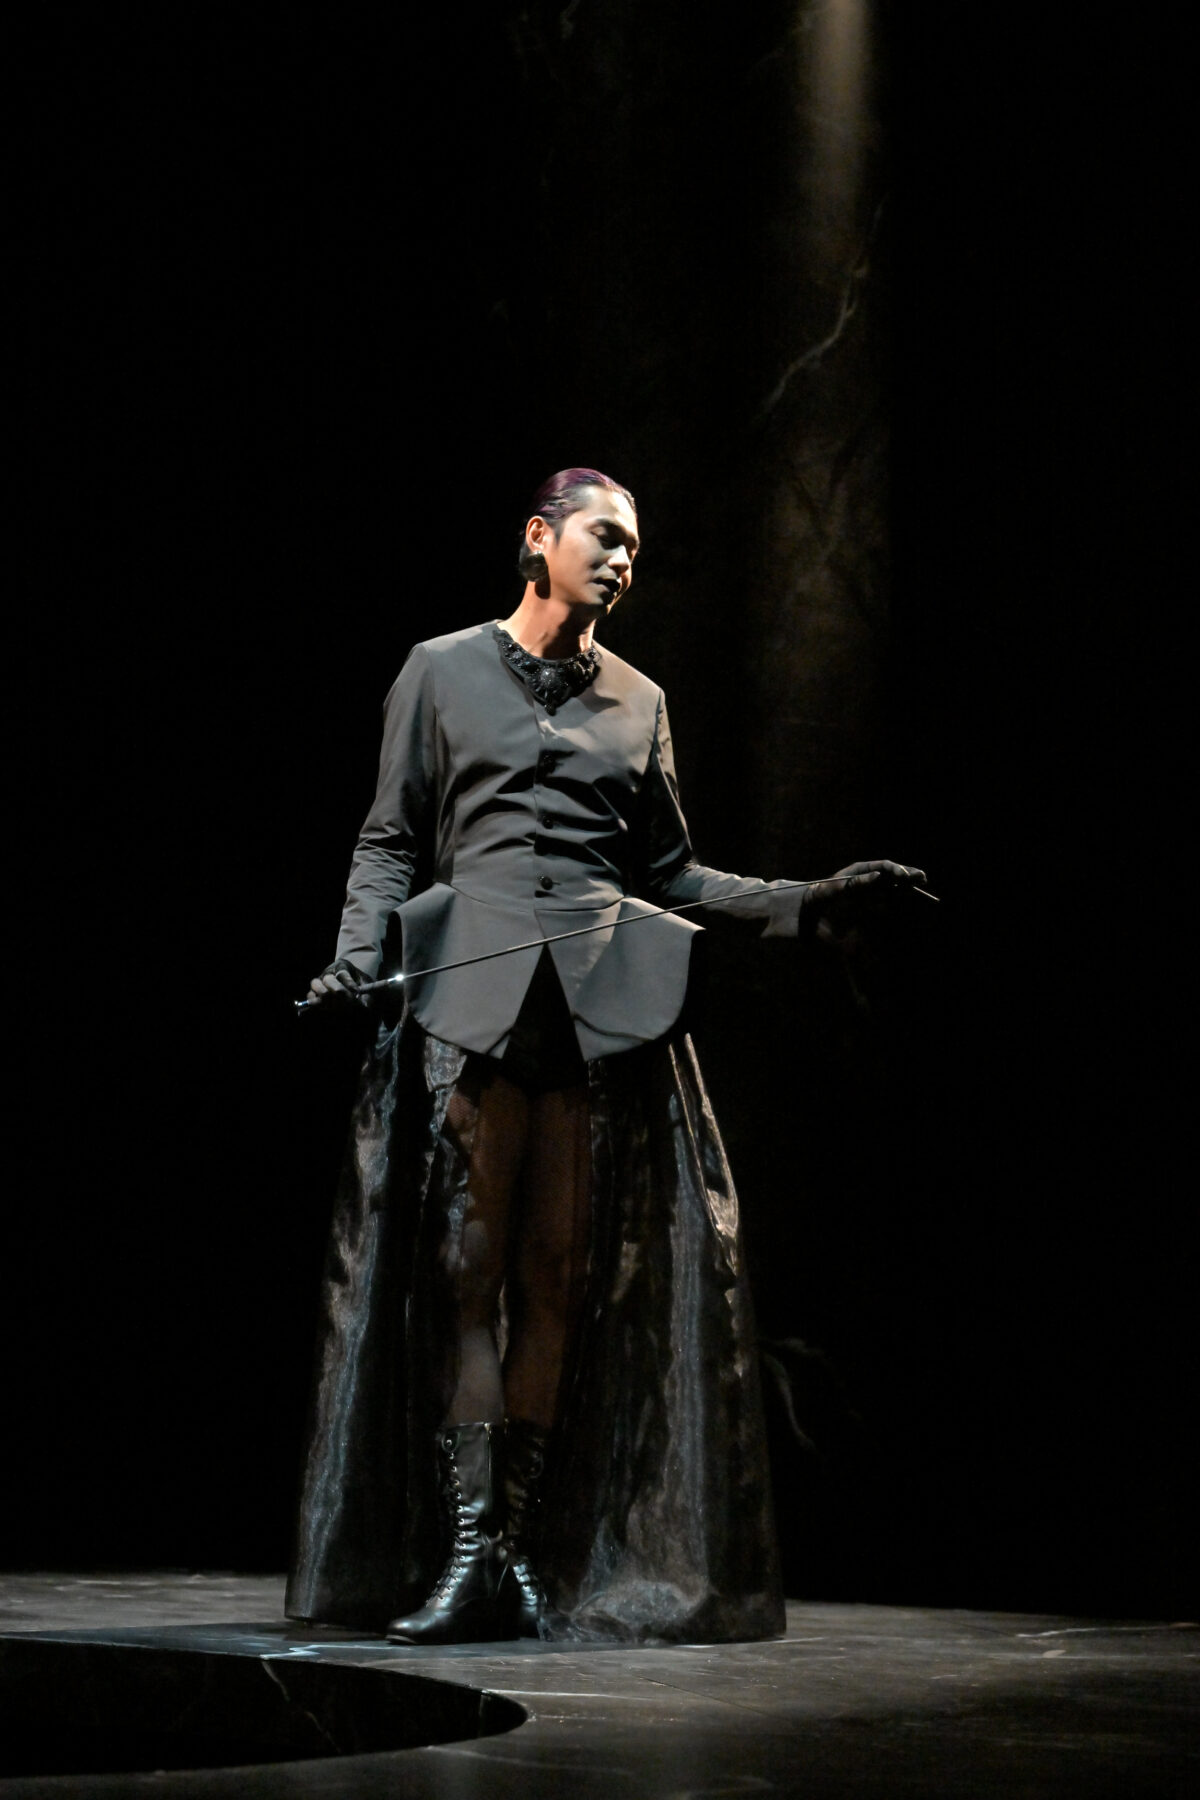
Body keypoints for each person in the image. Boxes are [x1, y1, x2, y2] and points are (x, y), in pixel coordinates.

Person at [286, 468, 923, 1646]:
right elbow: (388, 839)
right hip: (471, 1006)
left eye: (635, 546)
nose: (624, 559)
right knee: (469, 1275)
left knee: (554, 1278)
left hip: (586, 1021)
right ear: (540, 536)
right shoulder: (439, 671)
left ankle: (511, 1551)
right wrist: (353, 958)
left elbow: (672, 872)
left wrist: (807, 901)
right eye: (604, 536)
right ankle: (472, 1551)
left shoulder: (640, 699)